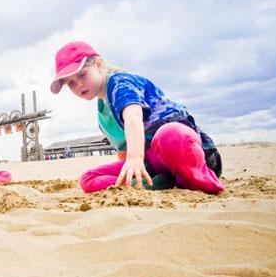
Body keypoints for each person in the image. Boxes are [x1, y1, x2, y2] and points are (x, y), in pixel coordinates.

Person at [50, 41, 224, 194]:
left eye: (82, 74)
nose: (78, 84)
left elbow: (133, 115)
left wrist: (135, 158)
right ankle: (155, 184)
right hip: (154, 163)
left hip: (184, 151)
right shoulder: (102, 114)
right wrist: (131, 165)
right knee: (88, 179)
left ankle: (198, 180)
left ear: (98, 65)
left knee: (170, 134)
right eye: (71, 83)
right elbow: (123, 149)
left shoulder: (119, 83)